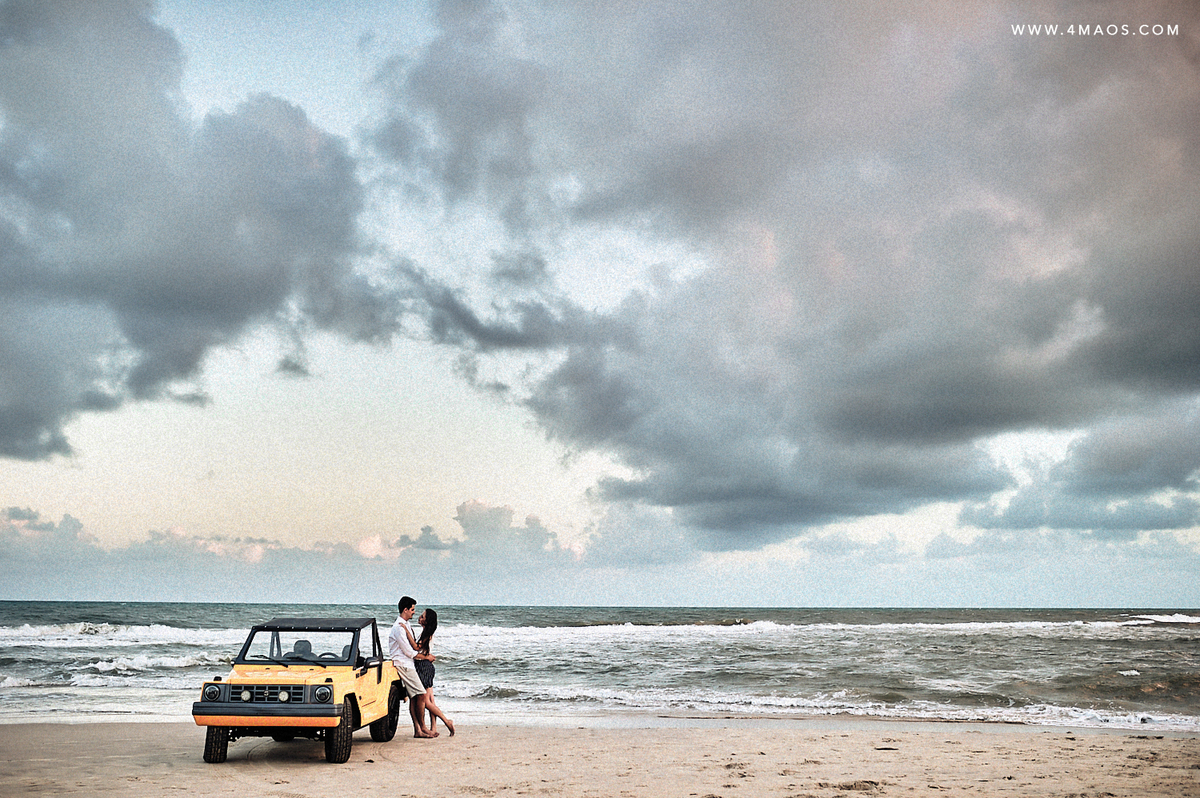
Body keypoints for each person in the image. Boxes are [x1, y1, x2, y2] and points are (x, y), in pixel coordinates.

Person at [388, 596, 434, 738]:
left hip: (409, 664)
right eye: (412, 609)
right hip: (404, 664)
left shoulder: (406, 625)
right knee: (421, 694)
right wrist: (426, 657)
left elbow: (413, 645)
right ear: (405, 609)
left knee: (415, 697)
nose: (414, 612)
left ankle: (418, 730)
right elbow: (409, 652)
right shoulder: (399, 627)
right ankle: (423, 727)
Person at [413, 608, 455, 737]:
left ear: (427, 621)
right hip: (427, 667)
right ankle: (434, 727)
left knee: (425, 701)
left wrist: (407, 634)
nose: (419, 617)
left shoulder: (426, 634)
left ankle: (446, 721)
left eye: (422, 616)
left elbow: (416, 650)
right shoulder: (426, 633)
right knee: (430, 699)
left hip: (423, 667)